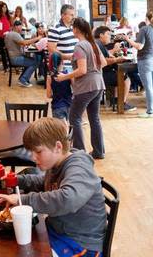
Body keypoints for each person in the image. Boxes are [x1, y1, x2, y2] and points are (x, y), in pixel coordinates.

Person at [0, 118, 107, 257]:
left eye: (38, 152)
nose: (34, 158)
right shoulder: (59, 163)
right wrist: (19, 182)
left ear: (58, 146)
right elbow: (46, 183)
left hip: (84, 247)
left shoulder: (79, 166)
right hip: (60, 234)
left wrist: (23, 200)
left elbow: (67, 198)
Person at [55, 18, 106, 159]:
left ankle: (79, 153)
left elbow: (82, 70)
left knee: (74, 117)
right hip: (98, 84)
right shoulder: (92, 44)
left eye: (72, 27)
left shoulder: (79, 46)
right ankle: (98, 151)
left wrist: (63, 77)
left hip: (86, 86)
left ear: (76, 29)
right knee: (94, 118)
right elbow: (104, 62)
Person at [127, 11, 153, 116]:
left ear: (146, 19)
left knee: (148, 87)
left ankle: (150, 112)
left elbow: (139, 46)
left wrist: (128, 40)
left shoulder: (144, 29)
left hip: (146, 60)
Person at [95, 25, 135, 113]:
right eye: (108, 34)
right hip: (100, 75)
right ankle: (122, 104)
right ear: (101, 35)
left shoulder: (98, 43)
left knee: (119, 73)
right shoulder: (98, 44)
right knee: (126, 78)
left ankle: (116, 100)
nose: (110, 36)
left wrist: (113, 53)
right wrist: (117, 59)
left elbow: (105, 55)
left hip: (99, 73)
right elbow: (103, 61)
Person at [46, 51, 73, 121]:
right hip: (69, 104)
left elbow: (48, 95)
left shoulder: (50, 78)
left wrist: (56, 95)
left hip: (57, 106)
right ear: (62, 62)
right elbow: (76, 89)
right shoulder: (69, 75)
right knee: (70, 128)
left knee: (59, 130)